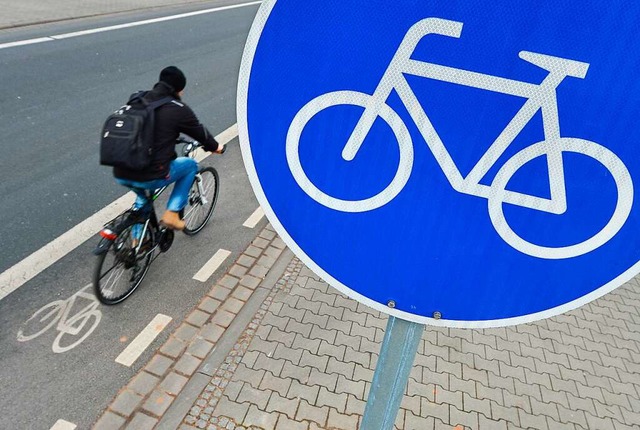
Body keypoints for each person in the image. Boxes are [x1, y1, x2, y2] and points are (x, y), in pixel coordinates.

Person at [113, 66, 225, 230]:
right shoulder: (178, 109)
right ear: (178, 89)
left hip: (120, 170)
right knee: (190, 166)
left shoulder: (138, 98)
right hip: (150, 174)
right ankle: (172, 214)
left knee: (143, 199)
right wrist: (216, 147)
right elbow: (201, 134)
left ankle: (137, 244)